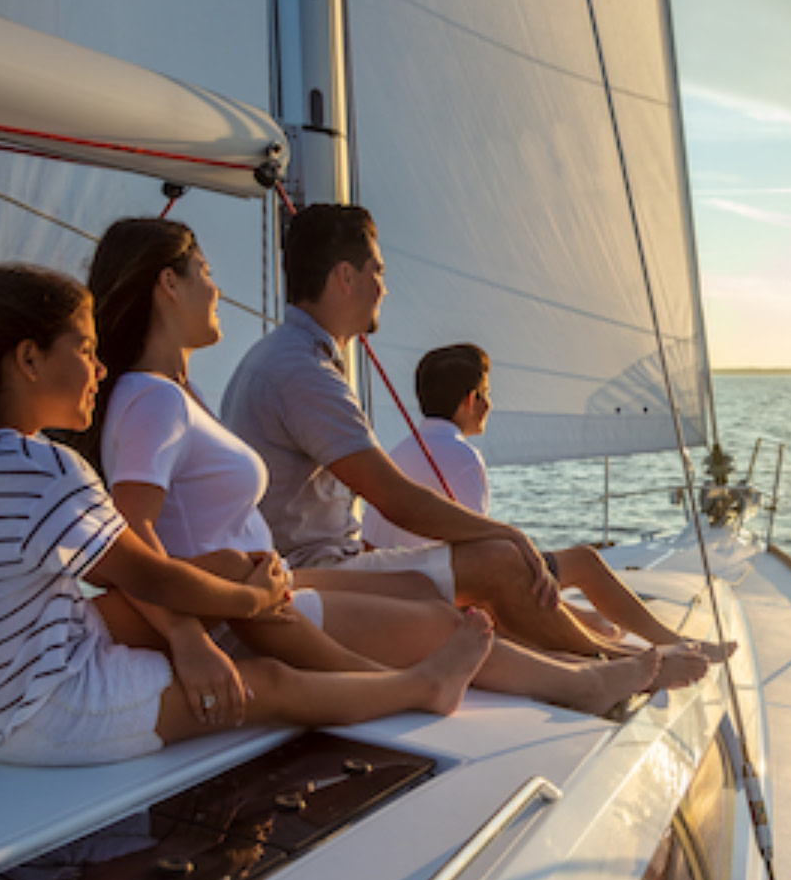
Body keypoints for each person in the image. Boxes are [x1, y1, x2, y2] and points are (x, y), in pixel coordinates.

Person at [0, 265, 490, 767]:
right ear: (27, 360)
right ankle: (420, 687)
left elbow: (136, 573)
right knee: (265, 680)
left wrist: (219, 606)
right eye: (85, 349)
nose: (101, 369)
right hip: (44, 710)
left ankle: (326, 642)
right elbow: (145, 576)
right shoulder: (39, 468)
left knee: (232, 567)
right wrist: (248, 607)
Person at [82, 218, 696, 714]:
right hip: (241, 604)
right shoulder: (175, 392)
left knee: (431, 600)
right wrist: (188, 638)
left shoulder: (178, 392)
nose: (216, 289)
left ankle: (592, 665)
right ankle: (586, 679)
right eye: (205, 274)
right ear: (169, 285)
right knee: (468, 593)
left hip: (260, 583)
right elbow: (133, 532)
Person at [221, 204, 691, 663]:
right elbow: (396, 499)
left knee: (495, 559)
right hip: (313, 574)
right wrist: (512, 537)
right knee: (500, 560)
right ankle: (611, 662)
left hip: (305, 565)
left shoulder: (280, 358)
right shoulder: (303, 371)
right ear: (345, 277)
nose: (384, 288)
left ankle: (606, 653)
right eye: (377, 272)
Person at [365, 344, 731, 655]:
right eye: (487, 393)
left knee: (570, 597)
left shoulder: (398, 451)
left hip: (404, 585)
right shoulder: (462, 458)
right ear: (470, 400)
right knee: (585, 562)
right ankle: (675, 644)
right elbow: (482, 560)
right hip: (442, 589)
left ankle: (594, 622)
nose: (490, 403)